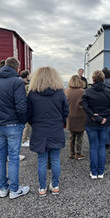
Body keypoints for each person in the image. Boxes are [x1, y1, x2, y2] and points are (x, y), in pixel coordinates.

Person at [0, 57, 29, 199]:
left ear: (5, 66)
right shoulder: (17, 82)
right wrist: (23, 122)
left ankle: (3, 188)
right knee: (13, 158)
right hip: (13, 124)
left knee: (0, 157)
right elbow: (21, 106)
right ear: (17, 68)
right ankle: (14, 190)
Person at [27, 67, 69, 197]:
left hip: (39, 129)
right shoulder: (60, 92)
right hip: (56, 128)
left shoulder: (32, 94)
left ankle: (42, 188)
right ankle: (55, 186)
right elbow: (65, 111)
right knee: (55, 159)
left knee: (41, 159)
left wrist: (34, 123)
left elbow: (29, 114)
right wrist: (60, 122)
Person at [82, 70, 110, 179]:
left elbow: (85, 107)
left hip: (91, 122)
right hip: (104, 123)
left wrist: (95, 116)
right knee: (101, 146)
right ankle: (100, 172)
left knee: (93, 147)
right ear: (103, 79)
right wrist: (103, 117)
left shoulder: (87, 92)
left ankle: (94, 171)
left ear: (93, 79)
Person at [65, 75, 86, 160]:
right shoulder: (83, 91)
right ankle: (78, 153)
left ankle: (71, 153)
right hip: (80, 116)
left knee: (71, 136)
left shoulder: (67, 91)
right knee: (79, 136)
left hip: (70, 116)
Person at [21, 70, 31, 148]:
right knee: (27, 125)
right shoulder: (24, 85)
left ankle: (25, 138)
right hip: (25, 106)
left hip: (23, 106)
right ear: (27, 76)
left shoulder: (21, 83)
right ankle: (24, 140)